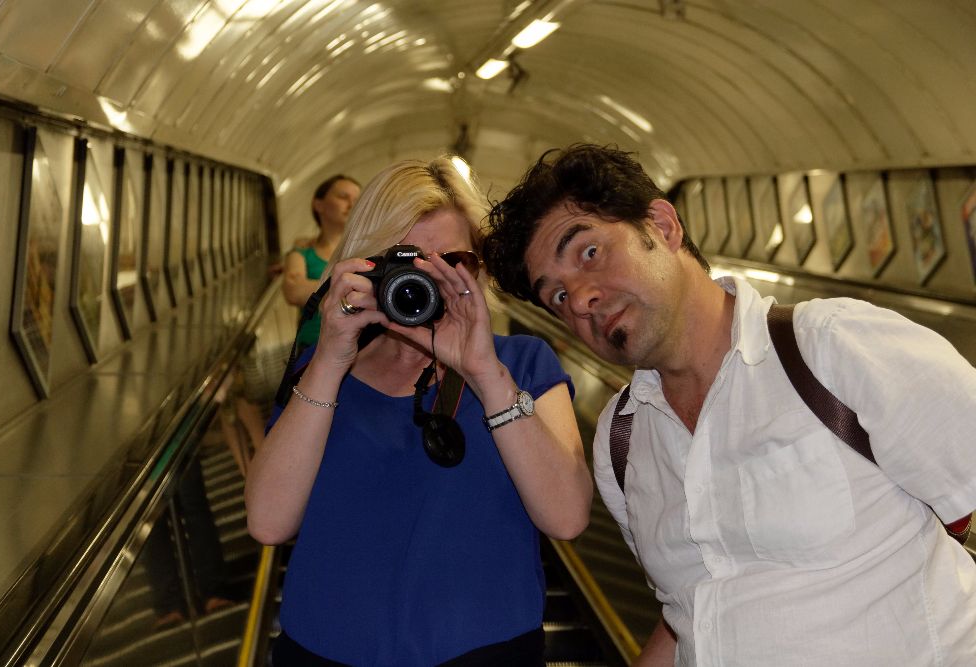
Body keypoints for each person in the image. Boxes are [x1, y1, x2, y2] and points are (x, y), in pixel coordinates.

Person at [481, 143, 976, 666]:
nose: (581, 299)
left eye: (589, 253)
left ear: (663, 227)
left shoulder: (831, 347)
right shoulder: (620, 441)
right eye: (558, 296)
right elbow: (691, 611)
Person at [245, 157, 593, 665]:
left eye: (452, 262)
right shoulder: (321, 373)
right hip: (322, 651)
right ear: (362, 265)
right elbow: (268, 523)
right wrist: (330, 358)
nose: (426, 282)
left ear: (478, 268)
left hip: (485, 654)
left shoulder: (520, 364)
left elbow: (567, 517)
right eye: (403, 261)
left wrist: (485, 373)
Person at [284, 174, 361, 346]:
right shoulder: (302, 253)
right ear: (318, 205)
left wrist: (316, 287)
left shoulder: (368, 249)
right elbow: (294, 292)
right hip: (312, 348)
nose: (351, 205)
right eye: (343, 197)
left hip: (360, 347)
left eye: (357, 200)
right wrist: (355, 286)